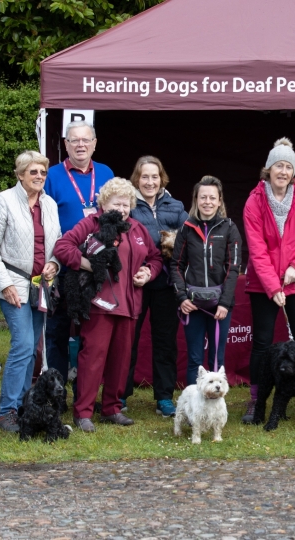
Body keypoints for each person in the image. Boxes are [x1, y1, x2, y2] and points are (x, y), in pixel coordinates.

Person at [53, 178, 162, 432]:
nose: (122, 209)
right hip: (98, 304)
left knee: (121, 360)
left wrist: (148, 272)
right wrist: (90, 265)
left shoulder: (136, 228)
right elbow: (63, 247)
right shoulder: (91, 224)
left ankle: (111, 408)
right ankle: (83, 412)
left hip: (129, 305)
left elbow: (155, 258)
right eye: (117, 203)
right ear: (104, 203)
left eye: (126, 204)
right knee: (93, 358)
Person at [242, 137, 295, 424]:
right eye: (279, 165)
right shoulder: (254, 201)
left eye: (289, 167)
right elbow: (257, 249)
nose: (284, 172)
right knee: (262, 344)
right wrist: (273, 286)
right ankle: (256, 401)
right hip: (263, 283)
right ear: (268, 168)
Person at [0, 151, 61, 432]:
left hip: (40, 285)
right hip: (11, 283)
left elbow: (58, 243)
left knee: (34, 347)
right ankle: (7, 412)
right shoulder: (2, 201)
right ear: (20, 174)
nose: (39, 177)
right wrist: (5, 284)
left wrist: (54, 263)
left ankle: (26, 404)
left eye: (43, 172)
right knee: (24, 344)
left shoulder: (49, 204)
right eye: (33, 172)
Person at [44, 120, 115, 385]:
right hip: (64, 264)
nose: (81, 145)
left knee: (91, 333)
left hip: (95, 267)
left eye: (86, 140)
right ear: (66, 145)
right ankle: (57, 390)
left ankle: (85, 394)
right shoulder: (52, 175)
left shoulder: (106, 172)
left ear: (95, 143)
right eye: (74, 140)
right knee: (58, 331)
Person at [124, 156, 188, 418]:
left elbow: (189, 236)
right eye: (144, 177)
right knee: (128, 341)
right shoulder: (127, 204)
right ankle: (120, 395)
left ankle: (164, 397)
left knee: (165, 343)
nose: (149, 182)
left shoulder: (176, 206)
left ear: (162, 179)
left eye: (154, 176)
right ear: (136, 179)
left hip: (166, 285)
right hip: (134, 283)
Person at [172, 176, 241, 386]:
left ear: (220, 201)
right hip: (192, 305)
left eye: (212, 197)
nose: (208, 202)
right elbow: (176, 265)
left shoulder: (229, 228)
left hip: (219, 305)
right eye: (203, 197)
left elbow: (234, 268)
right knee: (194, 358)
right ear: (196, 199)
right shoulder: (186, 228)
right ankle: (194, 405)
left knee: (216, 359)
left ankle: (215, 408)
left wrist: (225, 303)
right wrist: (182, 298)